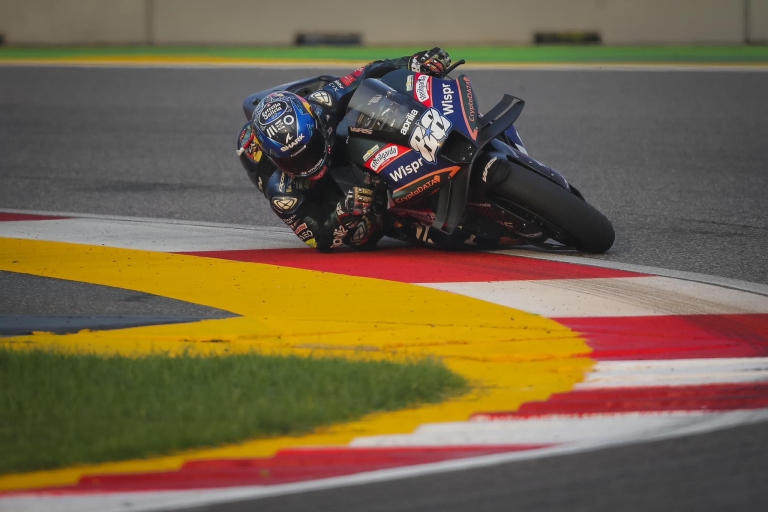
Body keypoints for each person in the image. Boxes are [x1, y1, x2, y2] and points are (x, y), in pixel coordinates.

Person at [236, 48, 455, 251]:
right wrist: (340, 214)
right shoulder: (281, 191)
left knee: (371, 100)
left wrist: (413, 62)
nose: (308, 164)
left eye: (310, 149)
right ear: (275, 160)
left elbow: (366, 73)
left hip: (323, 120)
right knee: (362, 237)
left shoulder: (323, 105)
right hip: (321, 192)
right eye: (293, 162)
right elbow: (318, 239)